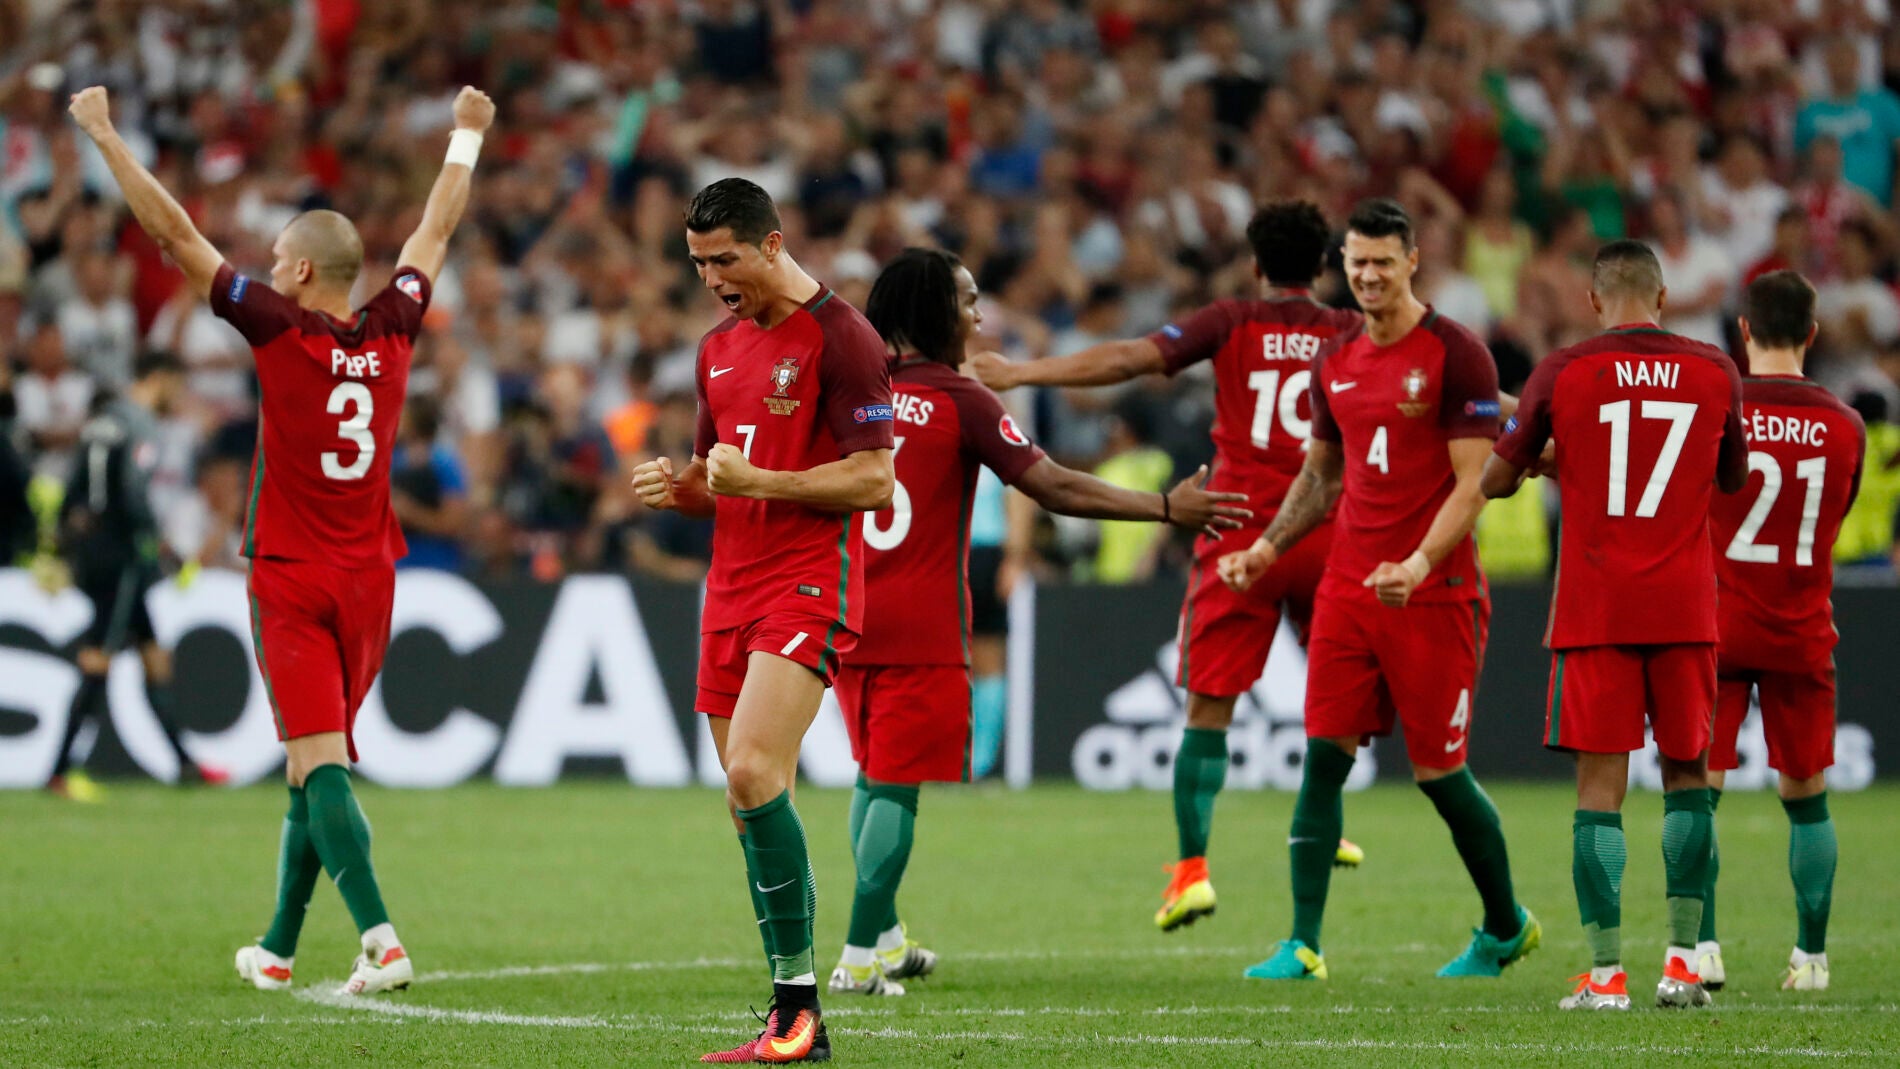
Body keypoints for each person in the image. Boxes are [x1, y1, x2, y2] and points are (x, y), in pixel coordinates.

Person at [70, 82, 495, 996]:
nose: (265, 267)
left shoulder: (276, 327)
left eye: (274, 259)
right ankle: (277, 944)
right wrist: (464, 137)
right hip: (372, 579)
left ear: (300, 274)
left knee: (318, 760)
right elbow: (435, 232)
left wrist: (105, 134)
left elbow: (175, 236)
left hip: (293, 574)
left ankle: (381, 938)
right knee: (316, 765)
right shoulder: (395, 324)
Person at [829, 247, 1250, 996]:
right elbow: (1052, 485)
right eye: (966, 301)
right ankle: (859, 953)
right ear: (934, 312)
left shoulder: (857, 391)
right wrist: (1163, 506)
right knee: (896, 786)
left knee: (872, 776)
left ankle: (885, 933)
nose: (978, 314)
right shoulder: (962, 398)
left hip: (848, 611)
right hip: (925, 626)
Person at [971, 200, 1365, 935]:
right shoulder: (1350, 329)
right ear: (1322, 267)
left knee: (1206, 711)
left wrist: (1023, 368)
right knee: (1335, 694)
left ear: (1254, 263)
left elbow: (1130, 357)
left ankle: (1191, 873)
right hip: (1326, 527)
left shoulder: (1232, 318)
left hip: (1234, 522)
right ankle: (1324, 819)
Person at [1221, 198, 1537, 982]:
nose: (1366, 276)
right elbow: (1321, 474)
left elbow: (1475, 484)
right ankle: (1302, 942)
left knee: (1440, 776)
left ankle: (1506, 926)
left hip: (1435, 594)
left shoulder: (1458, 354)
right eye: (1355, 263)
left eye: (1382, 263)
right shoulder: (1336, 361)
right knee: (1322, 757)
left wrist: (1421, 563)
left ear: (1413, 261)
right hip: (1349, 590)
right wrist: (1264, 548)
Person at [630, 177, 896, 1065]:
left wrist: (764, 484)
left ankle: (801, 1014)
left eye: (725, 258)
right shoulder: (716, 350)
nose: (710, 277)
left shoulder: (843, 336)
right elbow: (720, 477)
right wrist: (683, 488)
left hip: (807, 579)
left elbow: (874, 480)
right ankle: (793, 1011)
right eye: (699, 261)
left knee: (750, 769)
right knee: (750, 802)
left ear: (773, 243)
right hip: (728, 589)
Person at [1485, 240, 1749, 1011]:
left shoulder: (1562, 370)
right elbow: (1729, 476)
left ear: (1595, 301)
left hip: (1596, 607)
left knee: (1600, 790)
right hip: (1685, 604)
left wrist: (1550, 458)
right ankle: (1683, 966)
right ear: (1663, 299)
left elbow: (1499, 477)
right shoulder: (1713, 369)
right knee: (1688, 779)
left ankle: (1605, 977)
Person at [1700, 271, 1863, 993]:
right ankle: (1812, 957)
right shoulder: (1845, 424)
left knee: (1695, 789)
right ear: (1813, 334)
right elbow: (1838, 513)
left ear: (1742, 330)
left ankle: (1701, 947)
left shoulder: (1715, 409)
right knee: (1807, 794)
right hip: (1800, 626)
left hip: (1715, 624)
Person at [47, 351, 228, 802]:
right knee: (99, 655)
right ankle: (60, 771)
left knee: (153, 656)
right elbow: (132, 492)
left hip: (93, 548)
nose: (178, 397)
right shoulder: (141, 426)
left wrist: (66, 543)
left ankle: (184, 764)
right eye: (176, 387)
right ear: (161, 379)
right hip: (121, 554)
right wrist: (154, 544)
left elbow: (72, 491)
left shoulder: (99, 421)